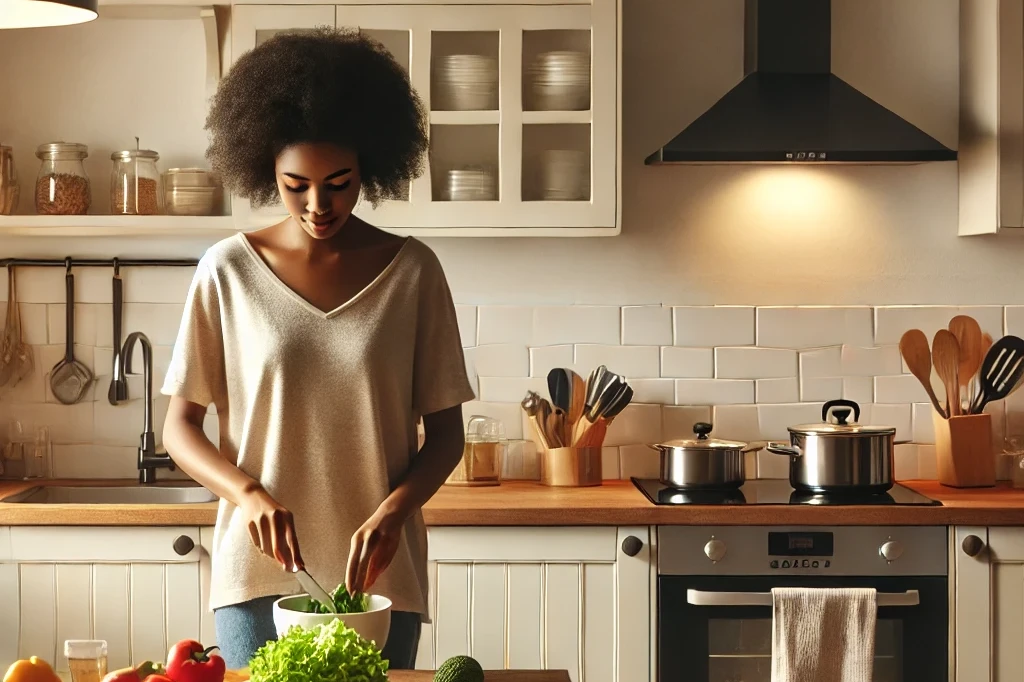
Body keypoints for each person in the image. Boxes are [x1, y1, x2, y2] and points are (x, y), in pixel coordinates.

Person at [160, 27, 474, 671]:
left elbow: (445, 435)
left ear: (371, 169)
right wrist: (247, 494)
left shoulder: (413, 272)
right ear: (265, 169)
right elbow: (180, 427)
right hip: (256, 577)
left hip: (381, 577)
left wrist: (396, 511)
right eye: (295, 184)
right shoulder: (227, 270)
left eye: (339, 182)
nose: (318, 204)